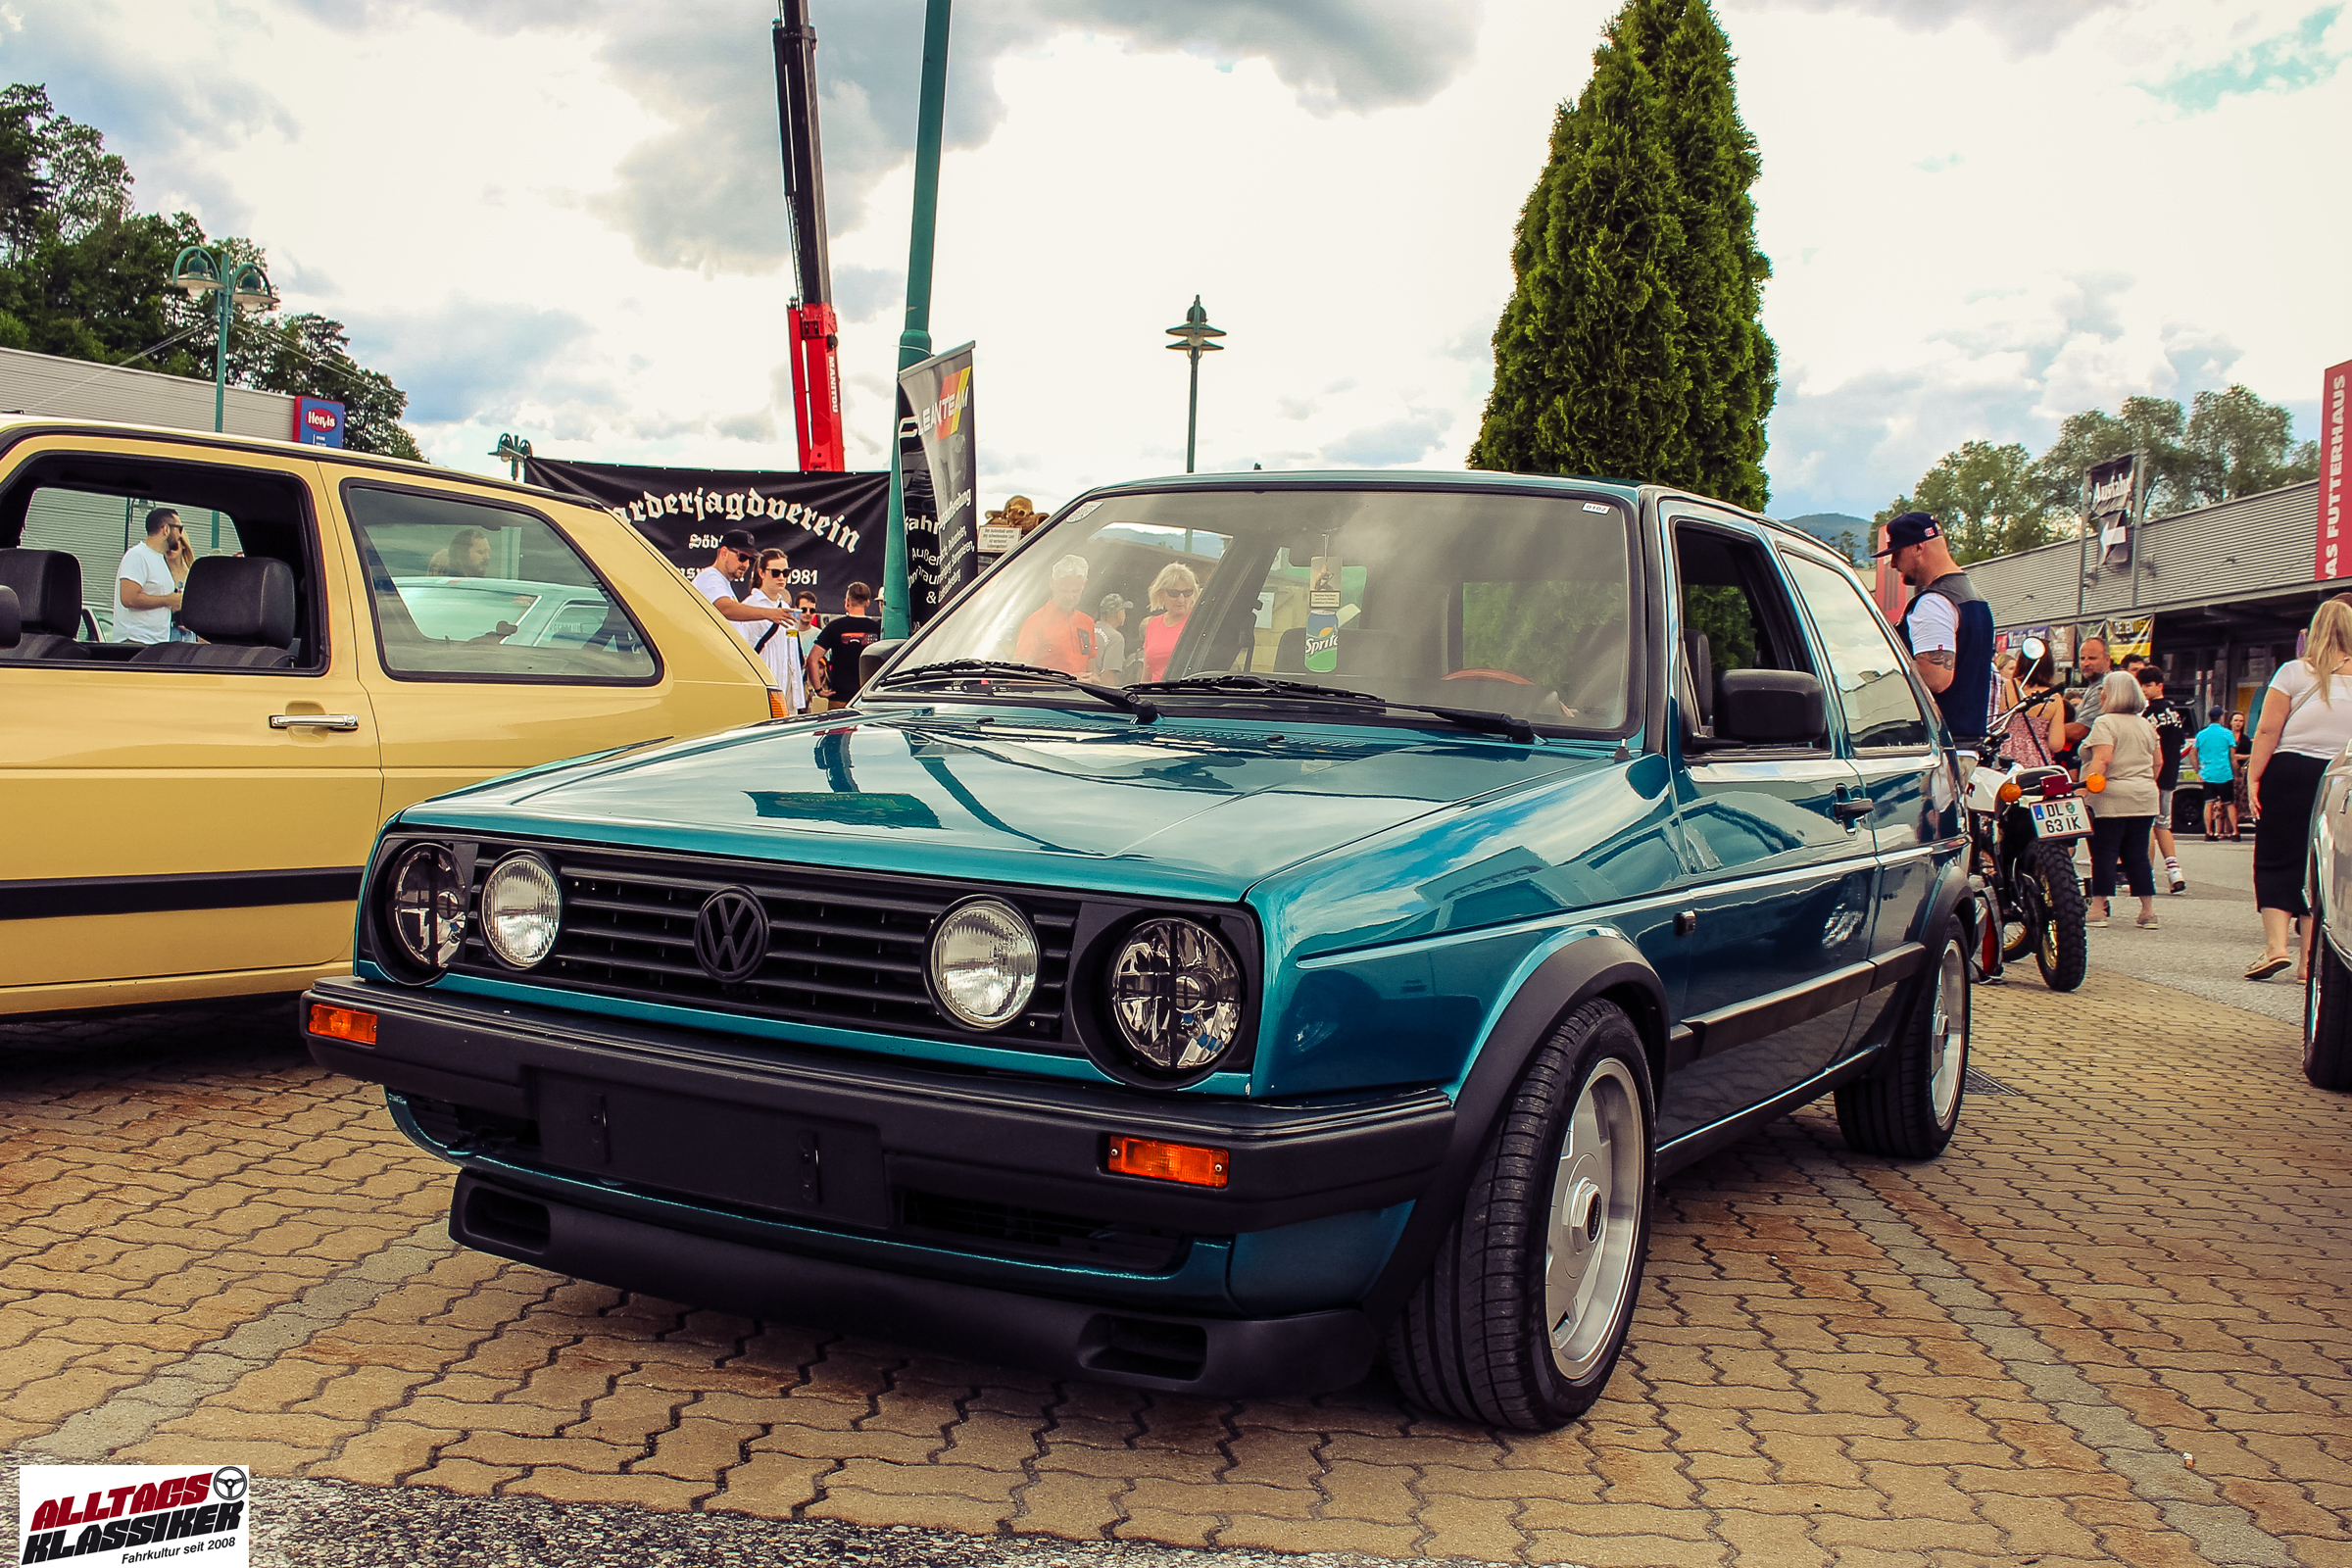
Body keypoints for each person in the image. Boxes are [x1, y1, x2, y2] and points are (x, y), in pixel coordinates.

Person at [2243, 600, 2352, 981]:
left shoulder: (2293, 671)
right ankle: (2310, 961)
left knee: (2276, 855)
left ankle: (2276, 947)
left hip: (2291, 770)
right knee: (2323, 863)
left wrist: (2254, 777)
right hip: (2342, 775)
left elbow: (2268, 730)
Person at [1878, 512, 1993, 742]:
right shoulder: (1974, 598)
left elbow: (1936, 678)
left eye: (1897, 553)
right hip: (1965, 740)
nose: (1893, 564)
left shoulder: (1934, 602)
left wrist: (1881, 667)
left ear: (1918, 547)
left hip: (1939, 744)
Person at [2081, 671, 2162, 931]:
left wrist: (2084, 791)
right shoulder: (2145, 724)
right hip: (2144, 796)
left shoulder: (2105, 723)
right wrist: (2143, 781)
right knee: (2137, 854)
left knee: (2104, 853)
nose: (2101, 693)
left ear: (2114, 693)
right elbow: (2158, 762)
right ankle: (2147, 911)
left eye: (2104, 688)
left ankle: (2098, 908)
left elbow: (2102, 759)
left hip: (2110, 796)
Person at [691, 528, 796, 638]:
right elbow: (726, 609)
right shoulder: (710, 576)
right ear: (724, 552)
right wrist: (770, 613)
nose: (746, 564)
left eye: (750, 560)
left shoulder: (723, 583)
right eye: (742, 557)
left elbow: (792, 637)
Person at [2138, 666, 2188, 895]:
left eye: (2148, 685)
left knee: (2147, 825)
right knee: (2163, 823)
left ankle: (2145, 874)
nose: (2144, 689)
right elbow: (2181, 743)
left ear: (2160, 686)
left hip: (2152, 773)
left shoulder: (2148, 714)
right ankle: (2174, 871)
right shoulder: (2174, 712)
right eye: (2142, 685)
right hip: (2170, 774)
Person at [741, 549, 806, 712]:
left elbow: (792, 646)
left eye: (786, 573)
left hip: (788, 687)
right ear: (761, 573)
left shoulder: (786, 607)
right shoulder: (749, 606)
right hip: (763, 686)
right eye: (776, 573)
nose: (781, 577)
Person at [113, 508, 190, 645]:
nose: (180, 535)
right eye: (179, 528)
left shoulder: (160, 559)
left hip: (156, 642)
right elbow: (129, 599)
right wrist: (168, 600)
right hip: (136, 641)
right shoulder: (137, 555)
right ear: (166, 529)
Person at [1013, 555, 1097, 675]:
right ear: (1051, 583)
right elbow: (1018, 675)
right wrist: (1069, 679)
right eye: (1064, 591)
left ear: (1084, 585)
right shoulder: (1035, 622)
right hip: (1050, 689)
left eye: (1075, 591)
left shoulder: (1087, 622)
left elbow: (1091, 671)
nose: (1069, 597)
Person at [808, 581, 881, 710]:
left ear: (847, 602)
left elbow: (812, 659)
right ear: (868, 603)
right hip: (868, 698)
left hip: (839, 698)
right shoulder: (878, 629)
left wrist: (819, 690)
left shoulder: (834, 627)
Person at [1994, 645, 2067, 767]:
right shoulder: (2054, 698)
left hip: (2001, 756)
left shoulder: (2004, 687)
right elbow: (2056, 745)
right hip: (2035, 761)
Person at [1140, 562, 1201, 684]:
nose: (1181, 599)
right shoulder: (1153, 625)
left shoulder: (1199, 622)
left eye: (1187, 593)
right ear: (1161, 593)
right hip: (1155, 694)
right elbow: (1146, 676)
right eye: (1174, 593)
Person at [2194, 707, 2239, 841]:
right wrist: (2236, 772)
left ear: (2209, 717)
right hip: (2224, 773)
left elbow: (2193, 752)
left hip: (2208, 773)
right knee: (2229, 803)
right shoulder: (2227, 734)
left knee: (2208, 803)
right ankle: (2235, 832)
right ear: (2221, 717)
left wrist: (2198, 770)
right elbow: (2232, 756)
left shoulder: (2201, 734)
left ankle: (2209, 832)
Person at [1092, 593, 1130, 685]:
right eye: (1124, 611)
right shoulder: (1115, 638)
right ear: (1119, 613)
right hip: (1096, 690)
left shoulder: (1088, 629)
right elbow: (1108, 674)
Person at [2230, 710, 2254, 827]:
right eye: (2236, 720)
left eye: (2241, 721)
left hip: (2242, 773)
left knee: (2240, 799)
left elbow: (2250, 755)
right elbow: (2228, 755)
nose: (2238, 723)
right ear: (2231, 722)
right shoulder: (2226, 737)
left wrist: (2238, 756)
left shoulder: (2245, 739)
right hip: (2227, 772)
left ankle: (2237, 822)